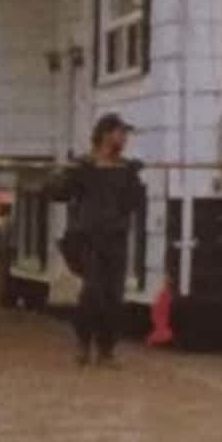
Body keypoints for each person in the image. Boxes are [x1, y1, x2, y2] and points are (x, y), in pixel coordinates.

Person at [47, 112, 146, 367]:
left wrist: (135, 179)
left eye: (125, 134)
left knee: (114, 296)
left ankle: (106, 350)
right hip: (87, 237)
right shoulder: (85, 165)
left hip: (115, 238)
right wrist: (73, 174)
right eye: (120, 133)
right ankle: (83, 344)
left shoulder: (124, 169)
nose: (124, 138)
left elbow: (133, 204)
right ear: (106, 134)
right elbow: (57, 193)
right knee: (93, 293)